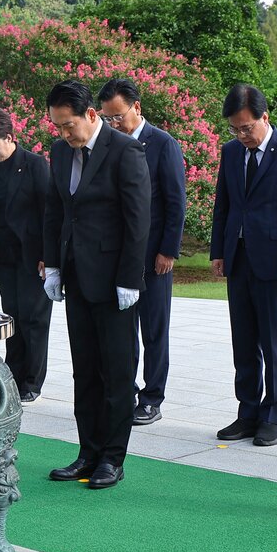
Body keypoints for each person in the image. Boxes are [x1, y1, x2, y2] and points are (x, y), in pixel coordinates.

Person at [42, 80, 150, 489]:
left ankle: (112, 457)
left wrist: (129, 278)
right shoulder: (60, 151)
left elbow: (138, 220)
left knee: (117, 371)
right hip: (75, 277)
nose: (64, 134)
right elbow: (55, 210)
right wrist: (52, 265)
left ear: (91, 115)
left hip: (113, 282)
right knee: (84, 371)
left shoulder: (125, 150)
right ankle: (87, 452)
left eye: (69, 125)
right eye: (57, 126)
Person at [209, 83, 277, 446]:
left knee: (274, 342)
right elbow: (224, 204)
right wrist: (218, 251)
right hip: (239, 260)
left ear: (264, 118)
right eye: (235, 129)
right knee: (244, 340)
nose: (241, 135)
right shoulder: (231, 152)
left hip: (276, 263)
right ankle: (247, 411)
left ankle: (273, 415)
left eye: (247, 127)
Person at [97, 78, 186, 426]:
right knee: (121, 329)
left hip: (153, 256)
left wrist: (168, 250)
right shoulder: (106, 145)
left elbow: (175, 203)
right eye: (108, 118)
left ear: (137, 107)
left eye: (119, 116)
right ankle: (125, 390)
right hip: (117, 255)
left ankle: (152, 397)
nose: (114, 124)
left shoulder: (162, 144)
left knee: (153, 329)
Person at [0, 107, 51, 402]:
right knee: (13, 317)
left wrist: (48, 255)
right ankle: (14, 374)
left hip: (33, 255)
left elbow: (48, 213)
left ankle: (32, 381)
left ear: (10, 137)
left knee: (34, 318)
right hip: (4, 255)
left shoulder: (35, 165)